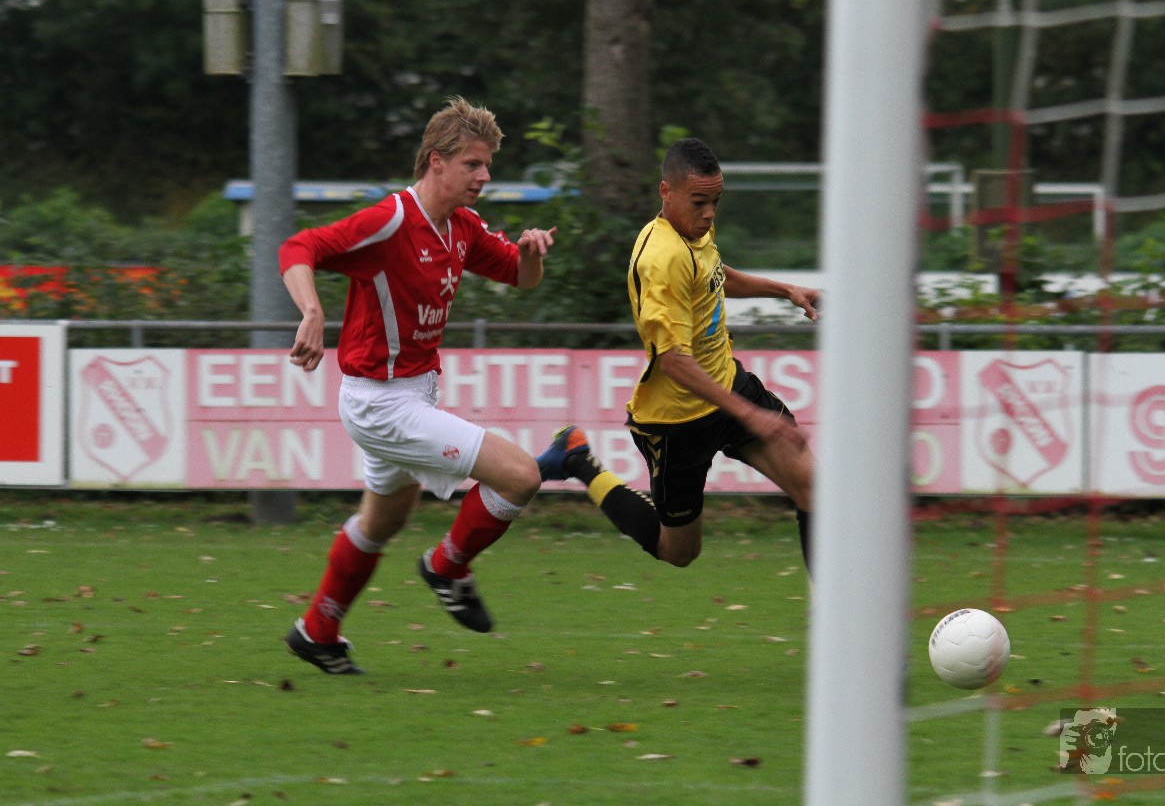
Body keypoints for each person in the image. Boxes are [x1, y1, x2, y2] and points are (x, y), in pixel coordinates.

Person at [279, 96, 556, 674]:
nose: (485, 176)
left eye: (487, 165)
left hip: (412, 393)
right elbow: (298, 247)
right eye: (473, 164)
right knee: (521, 476)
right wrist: (312, 311)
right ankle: (446, 567)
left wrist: (531, 254)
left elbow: (519, 276)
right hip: (380, 402)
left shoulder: (461, 226)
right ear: (437, 161)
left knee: (381, 523)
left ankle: (318, 631)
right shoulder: (390, 221)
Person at [536, 136, 818, 569]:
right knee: (679, 551)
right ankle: (579, 460)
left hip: (728, 385)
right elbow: (673, 361)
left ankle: (833, 613)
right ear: (666, 192)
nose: (709, 213)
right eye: (699, 202)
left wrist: (786, 290)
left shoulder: (694, 228)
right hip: (677, 422)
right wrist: (750, 414)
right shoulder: (661, 259)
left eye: (715, 202)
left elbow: (714, 275)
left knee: (815, 490)